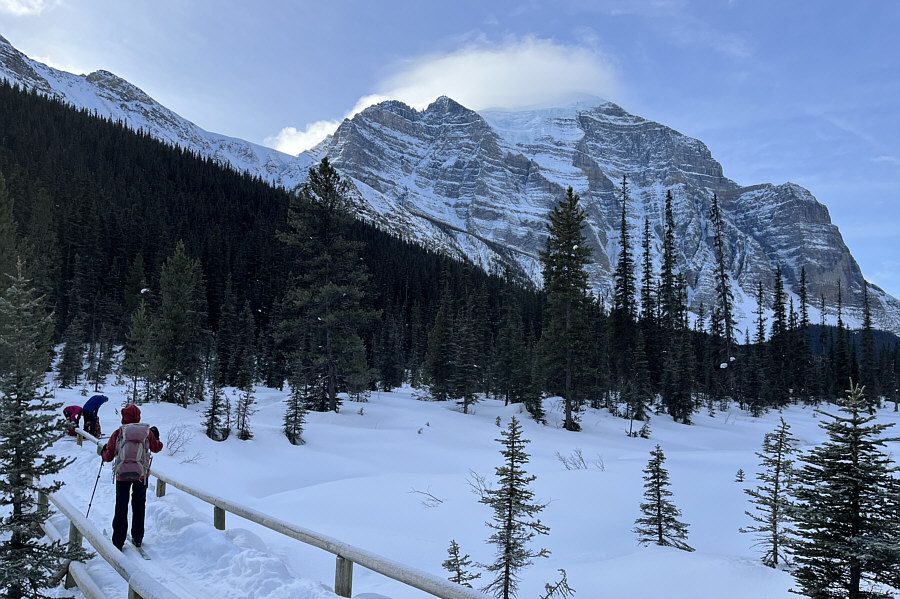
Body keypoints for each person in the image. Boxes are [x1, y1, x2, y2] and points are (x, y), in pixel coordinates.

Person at [101, 404, 163, 550]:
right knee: (139, 505)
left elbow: (108, 456)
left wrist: (103, 452)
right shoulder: (147, 432)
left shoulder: (119, 433)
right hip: (141, 475)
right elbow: (157, 448)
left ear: (124, 416)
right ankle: (138, 537)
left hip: (122, 475)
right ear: (138, 417)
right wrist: (156, 437)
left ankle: (118, 541)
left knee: (121, 506)